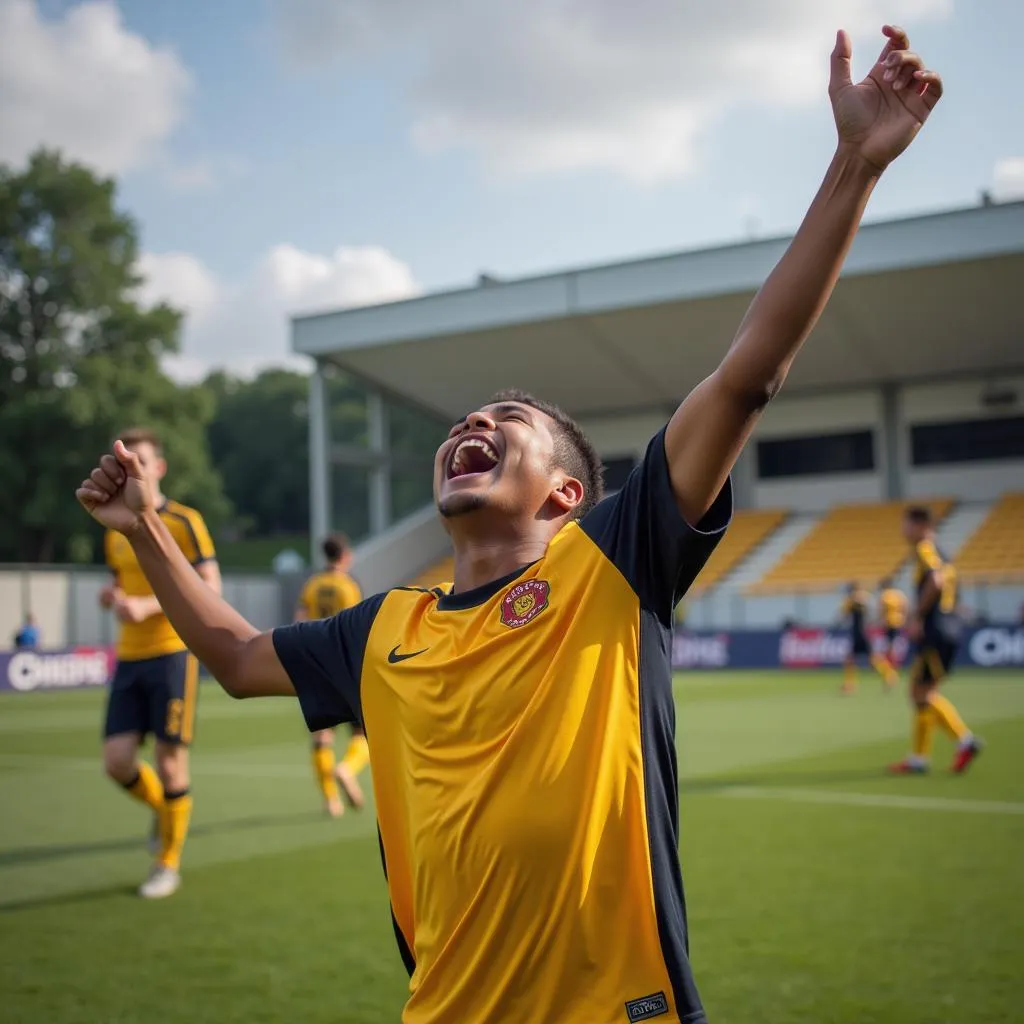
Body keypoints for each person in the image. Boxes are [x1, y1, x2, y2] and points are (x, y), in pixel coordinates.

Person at [76, 27, 942, 1022]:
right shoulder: (384, 626)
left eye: (506, 422)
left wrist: (853, 165)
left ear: (566, 497)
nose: (471, 424)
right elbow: (232, 655)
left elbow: (747, 374)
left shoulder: (612, 564)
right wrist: (145, 527)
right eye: (461, 422)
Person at [97, 427, 221, 899]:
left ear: (159, 469)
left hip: (172, 652)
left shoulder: (185, 521)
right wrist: (114, 597)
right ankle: (163, 810)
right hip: (128, 657)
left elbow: (211, 587)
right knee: (116, 762)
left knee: (171, 766)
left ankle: (167, 863)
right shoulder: (115, 527)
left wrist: (148, 607)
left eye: (141, 461)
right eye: (125, 462)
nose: (133, 470)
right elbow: (120, 583)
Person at [889, 506, 982, 775]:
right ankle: (919, 758)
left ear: (919, 525)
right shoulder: (943, 553)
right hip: (948, 628)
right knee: (924, 693)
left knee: (921, 693)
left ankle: (964, 740)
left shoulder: (924, 548)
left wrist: (917, 616)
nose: (902, 531)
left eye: (905, 525)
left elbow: (936, 580)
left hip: (936, 630)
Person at [294, 534, 368, 816]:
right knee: (361, 732)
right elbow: (355, 625)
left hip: (316, 662)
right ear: (345, 555)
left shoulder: (312, 584)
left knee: (321, 737)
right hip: (344, 664)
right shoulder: (348, 586)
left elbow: (299, 622)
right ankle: (347, 769)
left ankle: (330, 800)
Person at [838, 581, 898, 694]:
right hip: (859, 633)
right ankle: (888, 676)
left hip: (860, 633)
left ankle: (889, 675)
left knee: (863, 659)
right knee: (856, 659)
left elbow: (844, 613)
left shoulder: (855, 599)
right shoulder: (858, 599)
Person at [877, 576, 908, 667]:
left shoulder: (885, 595)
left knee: (890, 646)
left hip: (889, 622)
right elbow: (905, 606)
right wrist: (904, 618)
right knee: (893, 645)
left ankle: (892, 666)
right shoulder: (899, 594)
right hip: (899, 622)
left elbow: (881, 610)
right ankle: (892, 665)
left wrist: (881, 621)